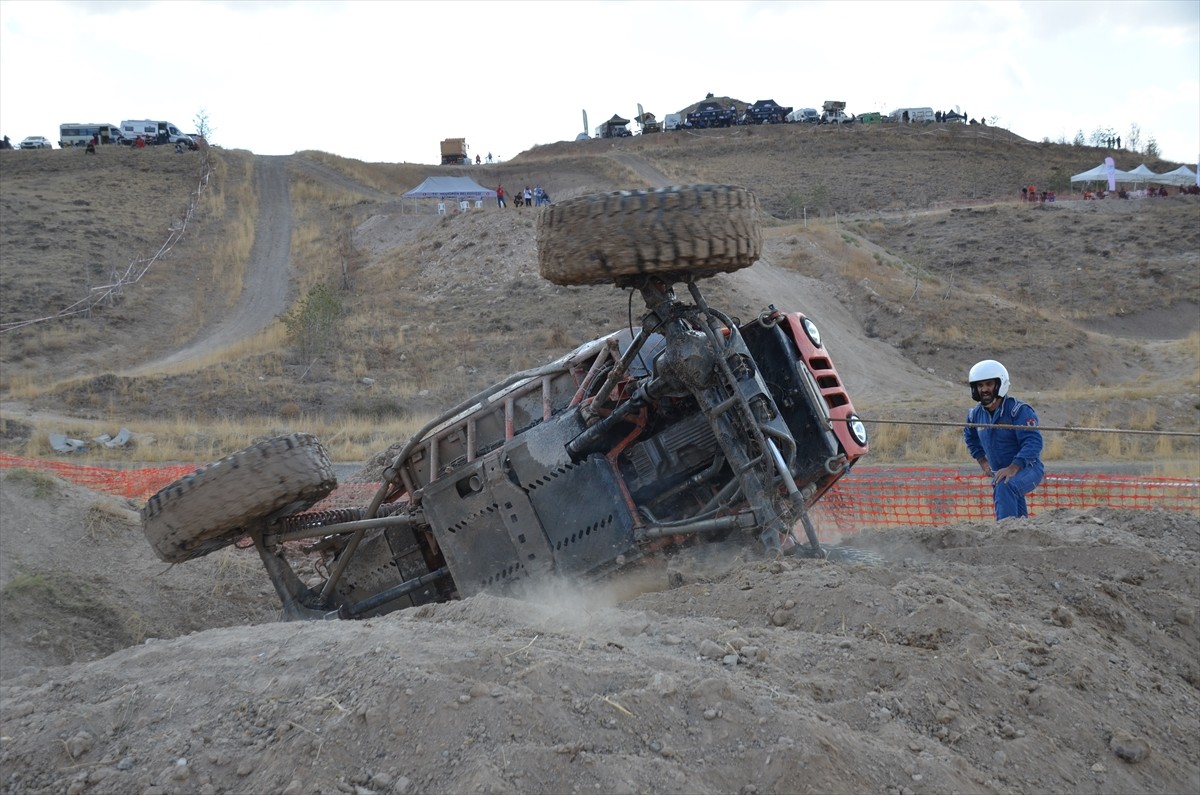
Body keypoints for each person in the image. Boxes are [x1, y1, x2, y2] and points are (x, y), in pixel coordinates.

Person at [963, 359, 1044, 520]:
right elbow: (970, 439)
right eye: (980, 385)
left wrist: (1013, 468)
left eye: (988, 384)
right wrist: (983, 462)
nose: (984, 389)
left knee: (1005, 486)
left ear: (1000, 385)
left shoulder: (1018, 411)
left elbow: (1033, 442)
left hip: (1028, 468)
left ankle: (1005, 539)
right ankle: (1021, 538)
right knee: (1018, 518)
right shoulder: (974, 415)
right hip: (1003, 473)